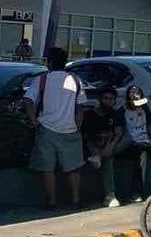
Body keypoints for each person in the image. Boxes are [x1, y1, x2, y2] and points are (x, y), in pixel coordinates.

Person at [23, 47, 86, 209]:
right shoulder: (75, 80)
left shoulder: (41, 80)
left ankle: (51, 202)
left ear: (49, 62)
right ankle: (76, 200)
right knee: (73, 168)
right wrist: (77, 126)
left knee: (47, 169)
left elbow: (28, 100)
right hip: (70, 129)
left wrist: (34, 120)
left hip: (46, 129)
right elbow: (80, 107)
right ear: (65, 62)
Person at [82, 86, 124, 207]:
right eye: (106, 98)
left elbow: (118, 134)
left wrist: (109, 148)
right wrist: (95, 152)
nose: (108, 101)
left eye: (111, 99)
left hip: (109, 146)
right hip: (91, 147)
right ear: (100, 99)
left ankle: (110, 195)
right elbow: (86, 137)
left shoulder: (116, 114)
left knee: (108, 158)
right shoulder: (89, 114)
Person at [120, 85, 151, 201]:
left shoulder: (145, 109)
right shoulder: (123, 111)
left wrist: (150, 138)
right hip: (129, 141)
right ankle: (134, 192)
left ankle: (146, 190)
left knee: (147, 154)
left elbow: (148, 126)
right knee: (136, 156)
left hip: (144, 140)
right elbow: (121, 131)